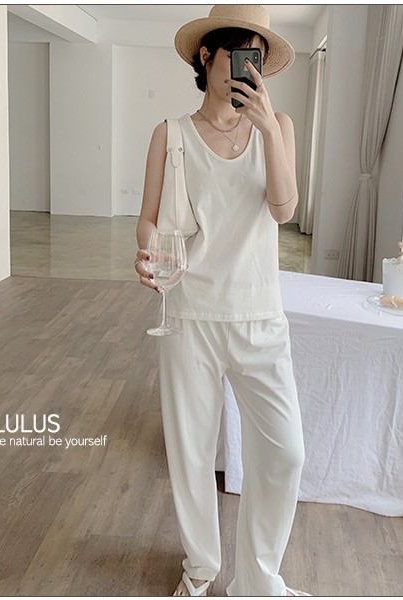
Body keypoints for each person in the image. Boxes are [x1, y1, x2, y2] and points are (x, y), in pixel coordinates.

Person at [134, 5, 310, 597]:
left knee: (285, 452)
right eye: (238, 54)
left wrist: (268, 131)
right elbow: (148, 220)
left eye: (256, 57)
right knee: (190, 453)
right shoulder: (171, 134)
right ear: (207, 56)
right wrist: (147, 253)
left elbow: (284, 210)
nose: (247, 68)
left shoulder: (277, 126)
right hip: (190, 314)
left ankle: (258, 579)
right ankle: (200, 568)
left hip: (260, 316)